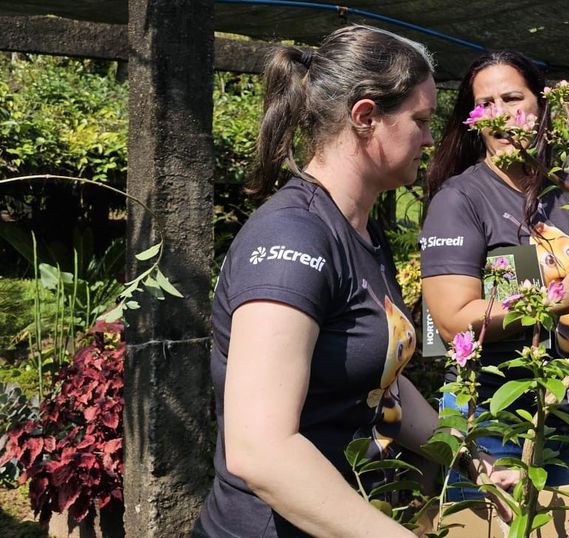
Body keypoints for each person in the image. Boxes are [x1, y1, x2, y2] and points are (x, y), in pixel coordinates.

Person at [195, 25, 467, 537]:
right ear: (366, 117)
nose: (431, 139)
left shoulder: (362, 229)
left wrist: (466, 451)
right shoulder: (293, 240)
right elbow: (261, 451)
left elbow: (376, 376)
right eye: (421, 120)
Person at [420, 49, 569, 509]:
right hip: (493, 425)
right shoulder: (461, 200)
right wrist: (552, 304)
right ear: (473, 119)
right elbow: (452, 322)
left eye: (513, 98)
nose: (500, 114)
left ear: (542, 105)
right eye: (486, 103)